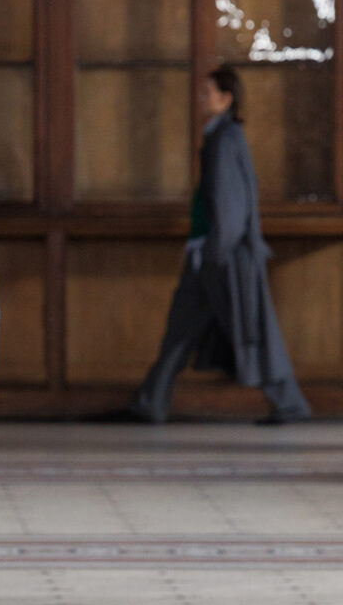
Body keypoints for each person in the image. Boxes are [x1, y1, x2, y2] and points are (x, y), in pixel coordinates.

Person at [131, 64, 310, 424]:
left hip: (224, 259)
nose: (201, 98)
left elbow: (231, 208)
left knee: (251, 331)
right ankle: (150, 402)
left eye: (207, 92)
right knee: (180, 330)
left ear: (226, 99)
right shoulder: (218, 137)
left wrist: (214, 253)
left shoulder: (225, 140)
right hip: (209, 255)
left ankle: (290, 403)